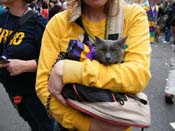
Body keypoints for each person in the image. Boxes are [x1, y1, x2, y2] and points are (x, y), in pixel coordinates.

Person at [36, 0, 151, 131]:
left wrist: (68, 70)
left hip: (115, 122)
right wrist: (87, 125)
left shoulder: (132, 16)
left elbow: (138, 76)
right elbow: (43, 87)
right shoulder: (58, 23)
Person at [0, 0, 57, 130]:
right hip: (12, 90)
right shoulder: (2, 18)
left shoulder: (38, 24)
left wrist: (27, 65)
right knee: (32, 123)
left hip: (35, 94)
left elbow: (56, 60)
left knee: (46, 127)